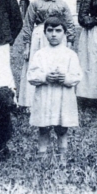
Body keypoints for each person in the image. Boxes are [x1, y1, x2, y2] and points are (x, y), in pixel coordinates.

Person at [27, 16, 82, 165]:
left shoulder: (70, 55)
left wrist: (64, 78)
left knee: (62, 127)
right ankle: (41, 156)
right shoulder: (40, 54)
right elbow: (31, 76)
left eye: (58, 31)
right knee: (43, 128)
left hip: (63, 97)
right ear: (44, 32)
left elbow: (77, 76)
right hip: (44, 96)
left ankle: (62, 157)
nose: (53, 34)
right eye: (50, 30)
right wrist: (45, 77)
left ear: (64, 33)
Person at [17, 0, 76, 108]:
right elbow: (27, 25)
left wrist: (70, 43)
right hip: (39, 35)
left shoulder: (62, 4)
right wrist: (26, 46)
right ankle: (32, 102)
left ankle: (55, 101)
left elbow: (70, 24)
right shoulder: (35, 4)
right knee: (37, 64)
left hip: (57, 35)